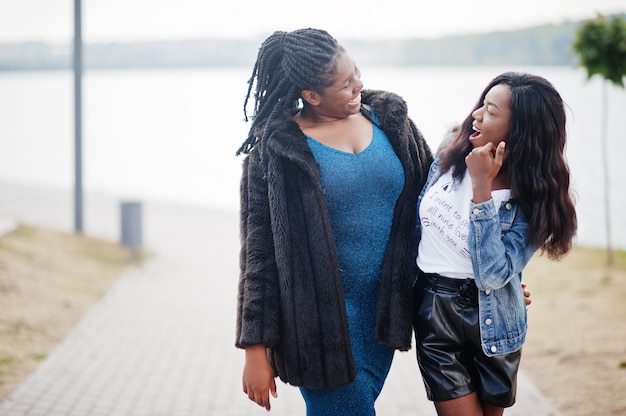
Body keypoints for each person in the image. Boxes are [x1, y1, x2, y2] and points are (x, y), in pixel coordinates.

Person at [235, 28, 433, 415]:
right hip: (315, 330)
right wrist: (254, 350)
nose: (359, 84)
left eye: (356, 71)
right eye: (345, 84)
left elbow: (440, 207)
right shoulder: (274, 154)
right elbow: (258, 258)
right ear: (311, 95)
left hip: (384, 320)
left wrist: (494, 278)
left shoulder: (393, 123)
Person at [412, 72, 577, 416]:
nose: (476, 115)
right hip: (434, 310)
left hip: (495, 320)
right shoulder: (448, 150)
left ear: (520, 129)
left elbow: (491, 275)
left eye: (490, 111)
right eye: (481, 105)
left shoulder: (533, 201)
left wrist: (481, 188)